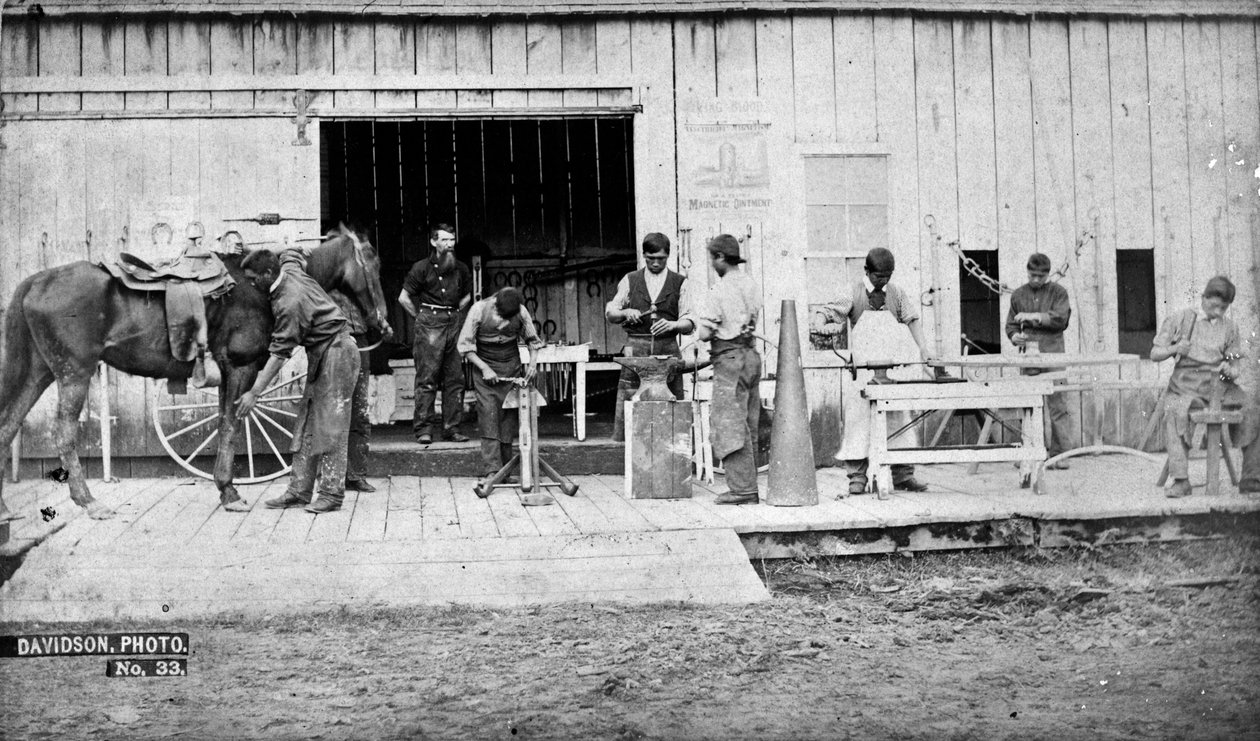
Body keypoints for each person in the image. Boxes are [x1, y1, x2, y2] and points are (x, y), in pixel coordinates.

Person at [236, 249, 360, 514]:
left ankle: (331, 494)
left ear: (269, 274)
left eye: (253, 278)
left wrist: (254, 393)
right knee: (306, 422)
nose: (251, 283)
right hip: (323, 352)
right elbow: (292, 255)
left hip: (338, 352)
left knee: (331, 425)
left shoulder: (289, 303)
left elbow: (279, 354)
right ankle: (299, 491)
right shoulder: (288, 269)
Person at [810, 247, 932, 496]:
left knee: (899, 421)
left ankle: (902, 474)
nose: (883, 280)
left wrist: (923, 348)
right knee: (859, 424)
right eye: (879, 276)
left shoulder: (896, 294)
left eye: (888, 276)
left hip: (891, 370)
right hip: (863, 372)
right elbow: (826, 312)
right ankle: (857, 476)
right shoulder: (853, 293)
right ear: (867, 271)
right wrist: (821, 324)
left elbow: (912, 319)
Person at [1150, 276, 1260, 497]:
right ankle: (1181, 481)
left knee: (1253, 410)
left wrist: (1232, 370)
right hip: (1185, 385)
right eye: (1214, 305)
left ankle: (1251, 478)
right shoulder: (1181, 319)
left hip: (1219, 386)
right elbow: (1155, 354)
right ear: (1203, 298)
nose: (1218, 312)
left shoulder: (1230, 327)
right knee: (1174, 412)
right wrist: (1175, 349)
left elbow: (1234, 362)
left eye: (1223, 308)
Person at [605, 232, 696, 442]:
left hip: (668, 352)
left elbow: (690, 321)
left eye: (661, 259)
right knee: (633, 403)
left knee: (670, 407)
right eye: (650, 258)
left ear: (668, 256)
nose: (655, 263)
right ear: (644, 255)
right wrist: (626, 312)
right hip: (636, 352)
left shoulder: (680, 283)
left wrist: (674, 324)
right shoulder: (630, 280)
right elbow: (611, 313)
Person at [696, 235, 763, 506]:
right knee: (748, 422)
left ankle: (743, 489)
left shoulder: (719, 290)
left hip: (730, 360)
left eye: (713, 258)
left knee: (729, 424)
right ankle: (748, 484)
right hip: (751, 357)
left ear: (721, 258)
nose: (712, 264)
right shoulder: (751, 284)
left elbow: (703, 333)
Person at [457, 287, 546, 476]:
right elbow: (465, 347)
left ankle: (507, 469)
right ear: (495, 305)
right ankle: (492, 470)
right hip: (484, 371)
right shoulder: (478, 310)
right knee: (489, 417)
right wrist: (484, 368)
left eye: (508, 319)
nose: (503, 322)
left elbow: (533, 341)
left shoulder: (521, 312)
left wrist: (532, 365)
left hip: (510, 369)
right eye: (501, 316)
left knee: (508, 420)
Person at [399, 223, 472, 445]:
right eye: (445, 240)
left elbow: (467, 296)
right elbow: (404, 298)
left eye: (452, 240)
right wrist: (421, 318)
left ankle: (452, 429)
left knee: (455, 380)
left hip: (453, 323)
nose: (449, 244)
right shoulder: (421, 268)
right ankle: (424, 430)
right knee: (427, 379)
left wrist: (456, 315)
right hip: (429, 323)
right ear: (433, 242)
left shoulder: (461, 268)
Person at [1005, 253, 1076, 469]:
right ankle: (1030, 452)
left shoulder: (1058, 292)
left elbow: (1060, 319)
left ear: (1047, 274)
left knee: (1058, 405)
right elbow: (1011, 324)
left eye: (1041, 276)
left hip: (1055, 356)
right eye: (1032, 275)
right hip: (1029, 358)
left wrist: (1033, 316)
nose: (1036, 279)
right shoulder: (1018, 295)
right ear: (1027, 271)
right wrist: (1013, 336)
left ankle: (1060, 455)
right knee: (1029, 405)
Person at [328, 290, 375, 493]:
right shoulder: (323, 273)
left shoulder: (356, 276)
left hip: (361, 339)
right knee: (334, 412)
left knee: (359, 412)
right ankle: (332, 477)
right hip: (334, 343)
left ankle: (356, 475)